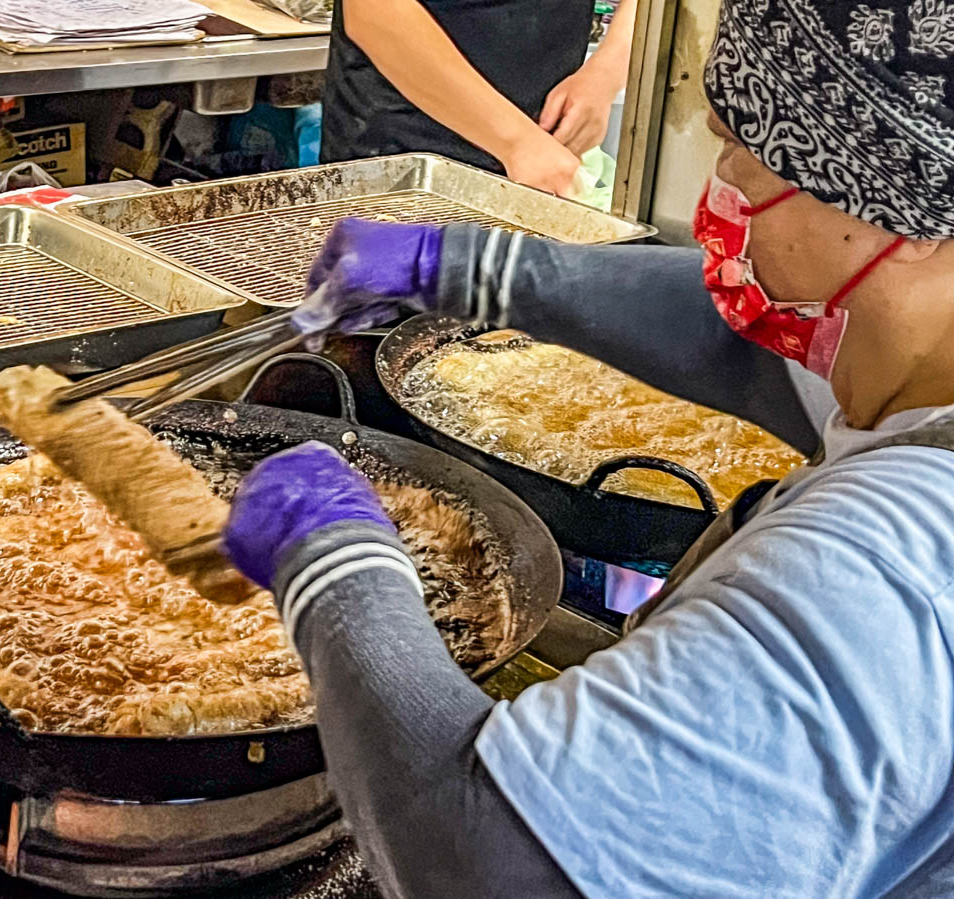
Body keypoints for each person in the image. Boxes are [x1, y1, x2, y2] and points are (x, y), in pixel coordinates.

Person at [222, 0, 954, 894]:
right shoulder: (915, 366)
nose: (716, 188)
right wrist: (473, 271)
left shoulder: (877, 569)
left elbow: (485, 860)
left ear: (897, 206)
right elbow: (746, 352)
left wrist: (335, 566)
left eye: (739, 152)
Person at [321, 0, 637, 196]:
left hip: (545, 147)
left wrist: (605, 73)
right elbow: (375, 11)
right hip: (400, 148)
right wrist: (516, 142)